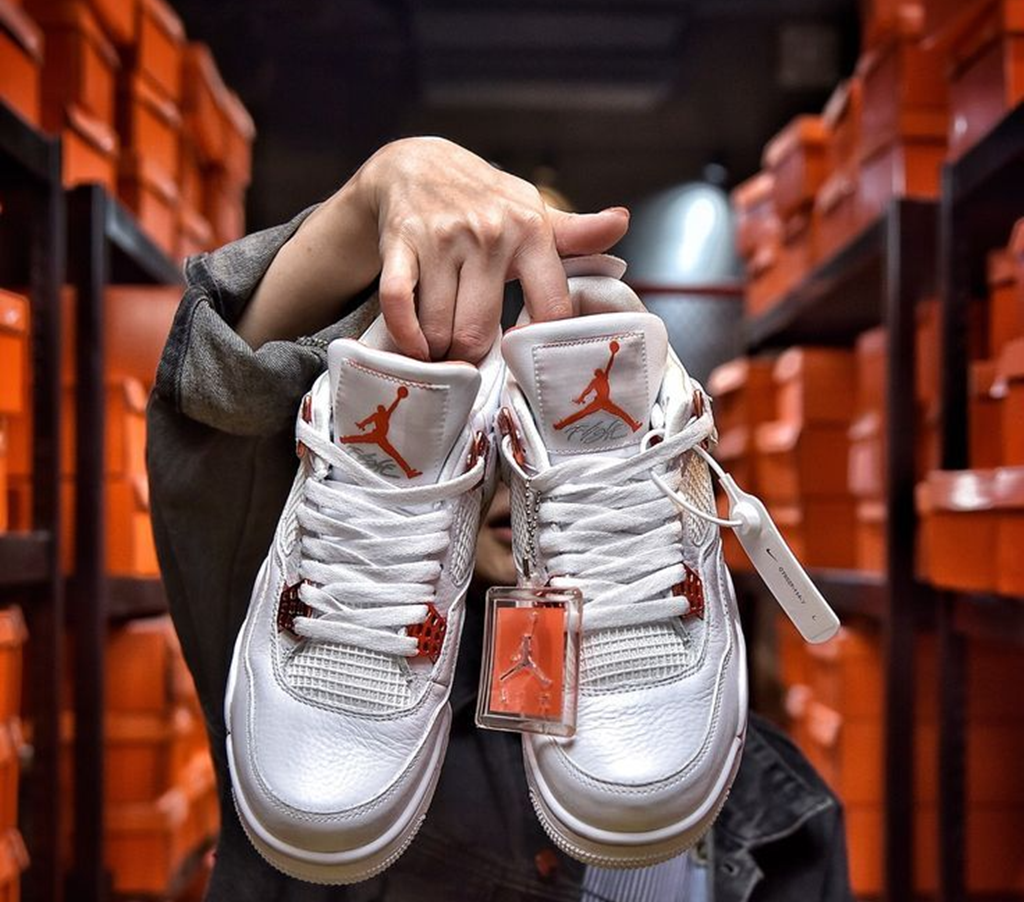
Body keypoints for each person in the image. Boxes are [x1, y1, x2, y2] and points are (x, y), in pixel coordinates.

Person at [147, 136, 853, 901]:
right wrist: (373, 201)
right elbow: (224, 403)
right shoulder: (291, 627)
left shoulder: (790, 818)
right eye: (477, 381)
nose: (518, 467)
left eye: (545, 403)